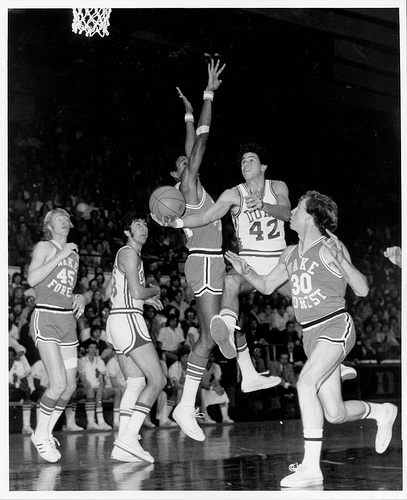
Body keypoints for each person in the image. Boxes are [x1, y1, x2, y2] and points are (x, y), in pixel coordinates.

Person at [224, 190, 398, 488]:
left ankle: (310, 467)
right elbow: (266, 287)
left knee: (305, 383)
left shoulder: (329, 246)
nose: (291, 211)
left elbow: (362, 290)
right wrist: (246, 270)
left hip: (334, 325)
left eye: (297, 207)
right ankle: (382, 411)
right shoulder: (290, 253)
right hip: (310, 335)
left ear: (312, 215)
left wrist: (343, 261)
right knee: (335, 413)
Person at [153, 59, 280, 441]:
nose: (186, 159)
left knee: (227, 318)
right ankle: (185, 405)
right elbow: (201, 144)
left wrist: (190, 115)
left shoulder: (192, 185)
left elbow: (192, 143)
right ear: (179, 176)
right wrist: (209, 95)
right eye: (182, 162)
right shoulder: (187, 185)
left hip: (211, 261)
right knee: (209, 338)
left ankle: (250, 372)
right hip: (204, 263)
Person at [166, 141, 287, 393]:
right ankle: (228, 331)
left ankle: (334, 362)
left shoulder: (276, 187)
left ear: (263, 165)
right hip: (250, 264)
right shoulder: (233, 193)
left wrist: (263, 205)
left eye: (251, 160)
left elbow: (286, 213)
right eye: (242, 161)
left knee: (308, 299)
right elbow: (207, 217)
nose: (245, 164)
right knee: (230, 283)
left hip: (279, 263)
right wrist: (177, 222)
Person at [106, 213, 166, 463]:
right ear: (127, 232)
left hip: (118, 319)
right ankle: (129, 437)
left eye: (145, 225)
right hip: (129, 320)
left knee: (136, 381)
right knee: (158, 379)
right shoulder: (129, 253)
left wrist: (140, 298)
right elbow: (138, 290)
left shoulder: (125, 255)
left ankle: (122, 443)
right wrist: (155, 290)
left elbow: (107, 290)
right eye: (137, 225)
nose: (143, 228)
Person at [27, 208, 86, 463]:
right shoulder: (45, 247)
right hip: (47, 317)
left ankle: (45, 433)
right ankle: (40, 435)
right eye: (58, 218)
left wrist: (80, 295)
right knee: (58, 384)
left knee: (70, 386)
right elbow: (32, 279)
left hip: (67, 321)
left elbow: (70, 285)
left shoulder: (74, 254)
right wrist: (60, 255)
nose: (64, 221)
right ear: (48, 225)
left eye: (67, 218)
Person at [200, 352, 234, 424]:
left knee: (222, 393)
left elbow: (216, 381)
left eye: (211, 356)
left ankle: (225, 417)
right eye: (207, 357)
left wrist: (219, 388)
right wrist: (213, 388)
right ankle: (206, 417)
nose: (209, 359)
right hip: (201, 389)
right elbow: (200, 384)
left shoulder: (216, 367)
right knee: (202, 393)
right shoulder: (199, 367)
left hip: (211, 388)